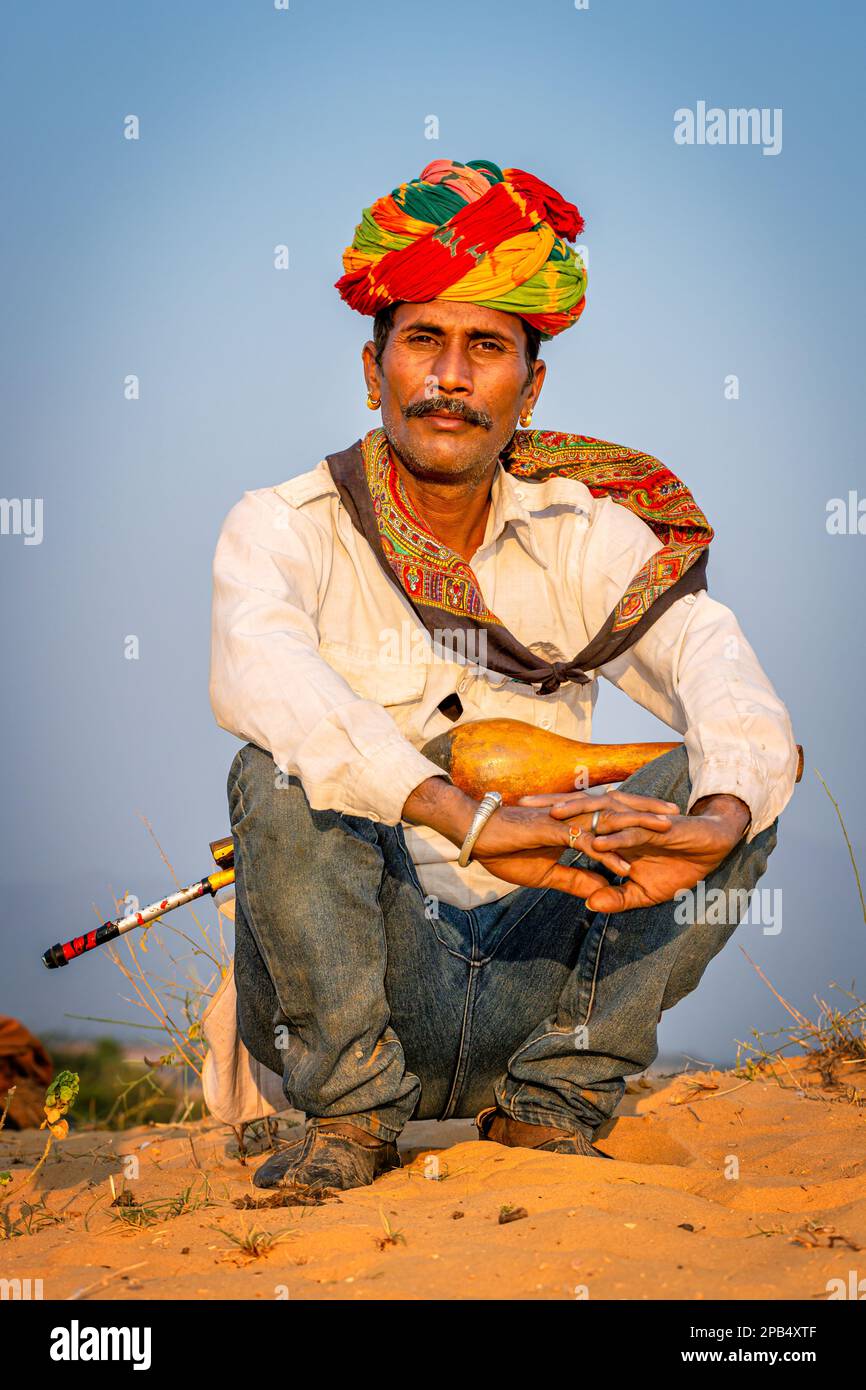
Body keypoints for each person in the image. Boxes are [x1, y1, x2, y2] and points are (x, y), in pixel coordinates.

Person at [209, 159, 798, 1191]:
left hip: (540, 978)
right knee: (277, 772)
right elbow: (269, 683)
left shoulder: (587, 534)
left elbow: (713, 663)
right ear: (371, 365)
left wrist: (713, 819)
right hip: (372, 992)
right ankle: (349, 1122)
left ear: (529, 384)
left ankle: (557, 1100)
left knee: (747, 775)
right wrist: (465, 818)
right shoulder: (281, 527)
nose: (449, 375)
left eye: (485, 347)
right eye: (422, 340)